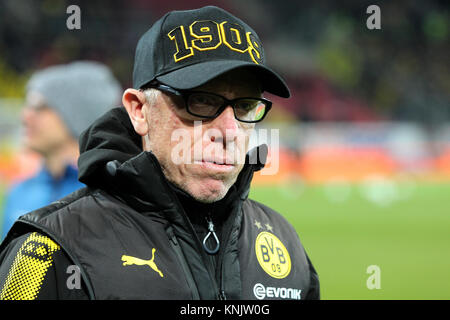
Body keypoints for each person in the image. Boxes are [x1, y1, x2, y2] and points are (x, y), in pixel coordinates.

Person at [0, 6, 319, 300]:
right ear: (139, 111)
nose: (230, 131)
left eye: (246, 106)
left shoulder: (285, 243)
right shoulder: (48, 251)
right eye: (202, 102)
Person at [0, 61, 122, 239]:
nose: (24, 116)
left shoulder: (107, 195)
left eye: (39, 107)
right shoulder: (20, 191)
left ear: (76, 115)